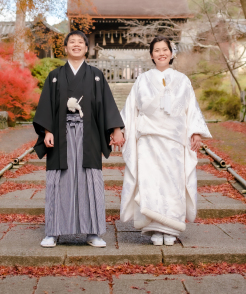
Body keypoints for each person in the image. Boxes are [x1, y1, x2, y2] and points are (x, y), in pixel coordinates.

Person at [33, 30, 125, 248]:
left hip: (89, 134)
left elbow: (106, 105)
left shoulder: (96, 75)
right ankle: (53, 232)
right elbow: (47, 106)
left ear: (86, 48)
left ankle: (93, 231)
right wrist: (47, 131)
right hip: (60, 133)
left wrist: (116, 128)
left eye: (80, 42)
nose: (76, 45)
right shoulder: (55, 76)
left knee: (89, 178)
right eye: (71, 42)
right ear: (65, 48)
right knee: (58, 179)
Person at [119, 35, 211, 246]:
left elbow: (191, 109)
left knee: (173, 183)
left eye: (165, 49)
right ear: (151, 55)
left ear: (171, 53)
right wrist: (120, 130)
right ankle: (154, 227)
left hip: (174, 141)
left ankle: (171, 227)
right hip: (149, 141)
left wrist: (196, 132)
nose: (161, 53)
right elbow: (131, 108)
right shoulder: (142, 79)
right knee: (150, 182)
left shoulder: (182, 80)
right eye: (157, 50)